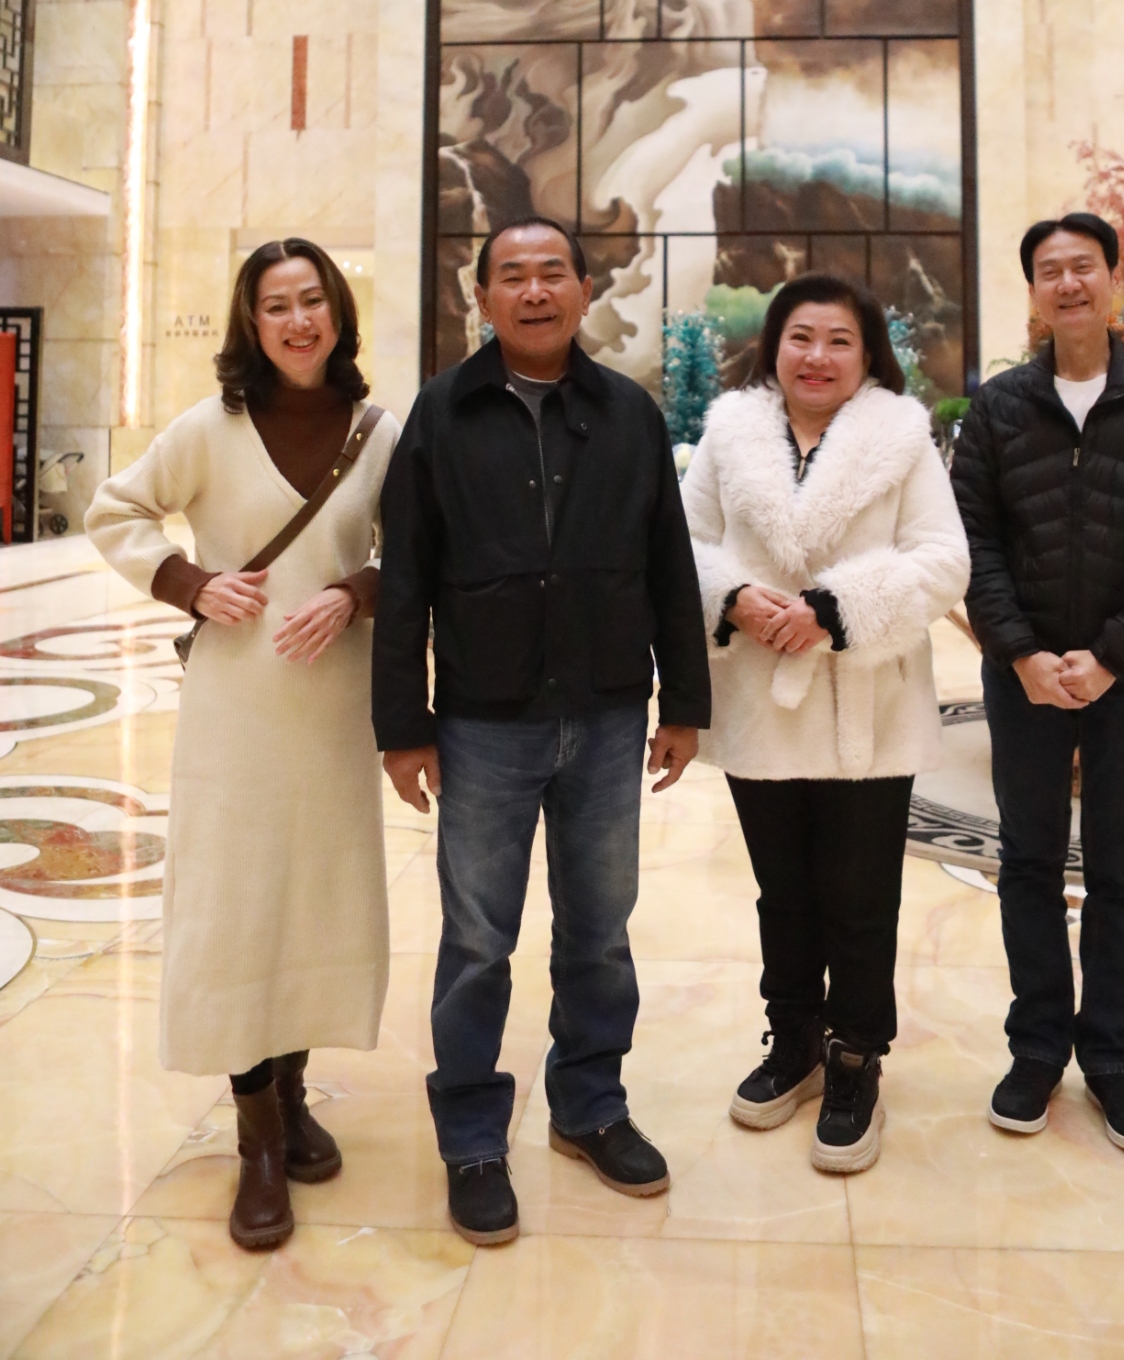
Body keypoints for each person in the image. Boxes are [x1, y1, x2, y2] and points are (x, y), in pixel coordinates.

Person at [372, 215, 711, 1247]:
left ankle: (590, 1104)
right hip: (484, 723)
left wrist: (684, 702)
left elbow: (669, 563)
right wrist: (403, 724)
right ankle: (473, 1134)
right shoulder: (441, 413)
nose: (533, 291)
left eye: (551, 272)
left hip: (607, 714)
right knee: (478, 940)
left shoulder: (627, 413)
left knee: (599, 929)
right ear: (481, 298)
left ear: (582, 289)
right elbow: (406, 579)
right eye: (511, 275)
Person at [85, 239, 399, 1250]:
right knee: (238, 910)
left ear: (338, 312)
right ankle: (258, 1138)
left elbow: (415, 551)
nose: (298, 320)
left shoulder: (378, 433)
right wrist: (192, 583)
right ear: (251, 322)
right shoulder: (209, 428)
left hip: (333, 710)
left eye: (313, 300)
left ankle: (295, 1096)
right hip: (235, 713)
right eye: (277, 305)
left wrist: (354, 593)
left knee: (312, 902)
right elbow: (115, 508)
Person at [681, 276, 970, 1174]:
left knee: (859, 898)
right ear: (773, 347)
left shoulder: (901, 438)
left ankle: (855, 1058)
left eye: (838, 340)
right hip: (760, 703)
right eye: (799, 337)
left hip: (864, 708)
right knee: (783, 890)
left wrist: (833, 611)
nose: (817, 356)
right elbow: (680, 543)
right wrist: (733, 595)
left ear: (866, 353)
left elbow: (944, 560)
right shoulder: (728, 434)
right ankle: (795, 1040)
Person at [950, 213, 1124, 1152]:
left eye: (1082, 266)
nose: (1066, 283)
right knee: (1026, 862)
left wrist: (1110, 655)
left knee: (1120, 869)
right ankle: (1035, 1050)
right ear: (1031, 290)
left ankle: (1110, 1059)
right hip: (1021, 675)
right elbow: (972, 538)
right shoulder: (998, 405)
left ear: (1111, 278)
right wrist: (1020, 653)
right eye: (1048, 270)